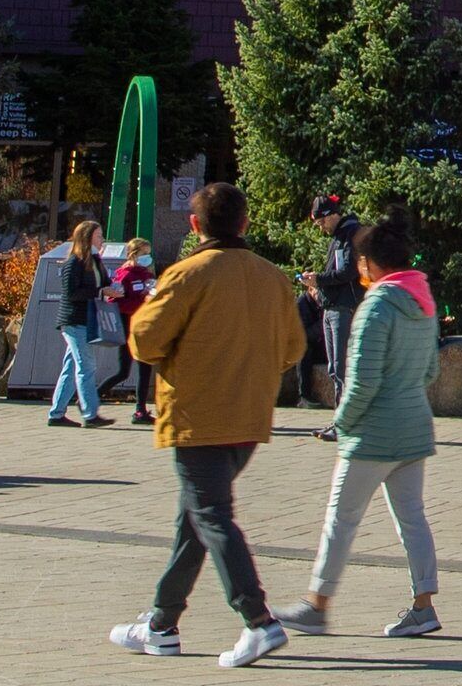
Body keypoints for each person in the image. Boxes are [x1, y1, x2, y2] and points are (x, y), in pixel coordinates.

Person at [110, 181, 302, 668]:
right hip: (250, 416)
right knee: (194, 519)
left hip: (198, 417)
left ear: (194, 226)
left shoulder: (187, 274)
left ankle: (258, 620)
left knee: (211, 516)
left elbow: (145, 342)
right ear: (245, 223)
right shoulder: (273, 278)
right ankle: (161, 623)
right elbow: (293, 351)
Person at [272, 218, 442, 641]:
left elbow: (360, 381)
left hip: (373, 433)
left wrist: (341, 424)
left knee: (340, 520)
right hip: (413, 428)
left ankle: (316, 605)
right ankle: (423, 607)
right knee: (413, 520)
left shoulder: (377, 307)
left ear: (369, 264)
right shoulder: (423, 301)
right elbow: (431, 370)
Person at [300, 199, 363, 432]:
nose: (321, 228)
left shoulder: (350, 234)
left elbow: (347, 272)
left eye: (321, 222)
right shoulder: (339, 237)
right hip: (332, 306)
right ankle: (340, 421)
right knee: (335, 369)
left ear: (331, 215)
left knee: (341, 367)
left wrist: (320, 280)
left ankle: (345, 424)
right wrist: (318, 283)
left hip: (342, 308)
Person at [49, 221, 113, 429]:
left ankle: (56, 413)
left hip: (88, 320)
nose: (102, 239)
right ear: (86, 238)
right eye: (98, 236)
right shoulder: (73, 263)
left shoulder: (95, 261)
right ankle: (90, 413)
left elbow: (104, 284)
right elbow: (71, 293)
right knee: (87, 365)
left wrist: (112, 290)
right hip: (73, 321)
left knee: (71, 367)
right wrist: (100, 292)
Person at [111, 237, 162, 423]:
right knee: (123, 371)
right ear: (134, 255)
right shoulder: (124, 274)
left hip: (143, 326)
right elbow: (115, 301)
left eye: (149, 254)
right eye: (144, 254)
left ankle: (140, 410)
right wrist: (139, 299)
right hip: (127, 325)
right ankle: (91, 395)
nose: (147, 258)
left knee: (145, 367)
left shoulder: (147, 275)